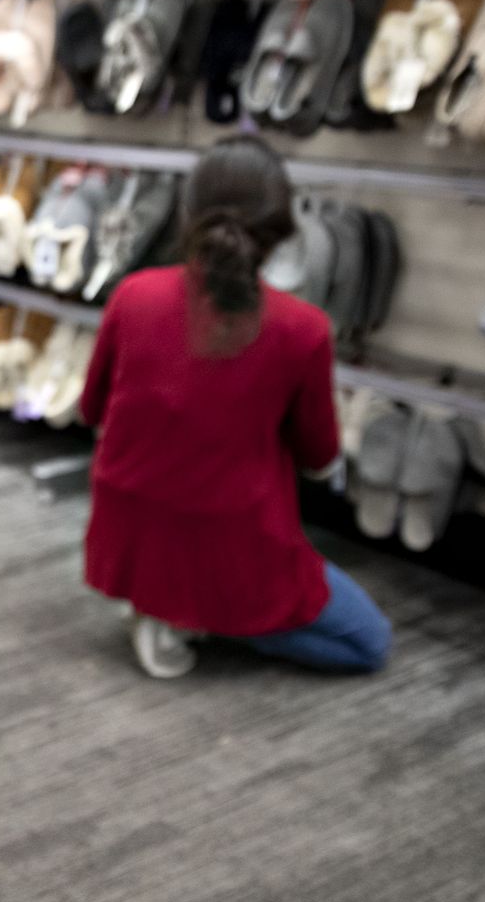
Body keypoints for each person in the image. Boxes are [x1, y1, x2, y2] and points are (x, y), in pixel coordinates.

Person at [77, 136, 391, 679]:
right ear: (282, 231)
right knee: (368, 643)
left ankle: (165, 607)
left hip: (128, 534)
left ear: (187, 214)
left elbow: (90, 410)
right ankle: (219, 616)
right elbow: (320, 457)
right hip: (231, 546)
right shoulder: (303, 330)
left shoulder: (132, 296)